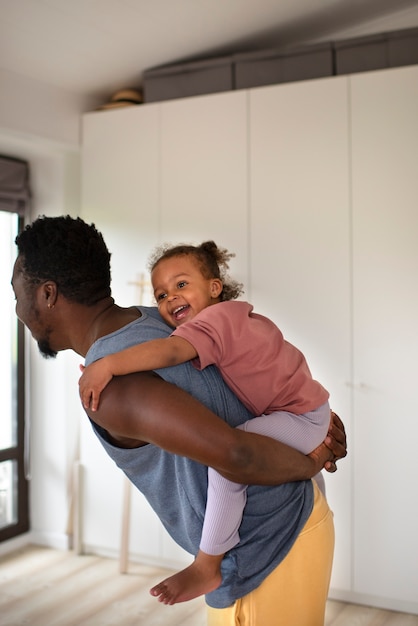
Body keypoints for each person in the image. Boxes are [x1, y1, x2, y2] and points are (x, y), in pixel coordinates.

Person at [12, 215, 347, 626]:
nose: (16, 310)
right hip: (280, 531)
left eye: (16, 294)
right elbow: (260, 372)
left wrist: (314, 454)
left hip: (267, 547)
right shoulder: (153, 319)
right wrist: (315, 423)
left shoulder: (115, 385)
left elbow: (237, 454)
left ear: (48, 294)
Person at [79, 240, 331, 605]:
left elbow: (168, 352)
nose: (170, 299)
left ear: (215, 288)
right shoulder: (231, 319)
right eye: (161, 293)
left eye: (182, 285)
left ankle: (208, 562)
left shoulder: (215, 321)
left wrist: (108, 365)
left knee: (228, 454)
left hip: (302, 417)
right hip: (305, 412)